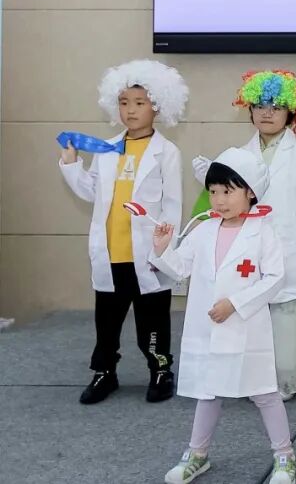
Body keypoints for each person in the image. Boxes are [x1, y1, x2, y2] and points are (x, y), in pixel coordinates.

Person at [151, 147, 295, 484]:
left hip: (246, 328)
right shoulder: (203, 230)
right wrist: (162, 249)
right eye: (213, 191)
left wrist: (236, 303)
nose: (219, 200)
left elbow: (275, 278)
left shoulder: (263, 232)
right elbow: (180, 269)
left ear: (250, 193)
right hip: (208, 330)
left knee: (264, 392)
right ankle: (197, 454)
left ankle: (284, 455)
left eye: (228, 191)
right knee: (208, 391)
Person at [58, 59, 187, 405]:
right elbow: (92, 191)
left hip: (147, 256)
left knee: (152, 321)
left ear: (157, 106)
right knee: (107, 321)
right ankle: (104, 372)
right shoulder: (107, 149)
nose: (130, 110)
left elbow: (172, 206)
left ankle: (160, 371)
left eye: (140, 102)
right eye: (124, 102)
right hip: (111, 253)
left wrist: (165, 250)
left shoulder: (166, 152)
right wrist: (71, 164)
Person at [193, 71, 296, 398]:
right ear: (249, 109)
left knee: (285, 313)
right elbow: (225, 195)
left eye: (276, 107)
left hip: (288, 243)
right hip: (251, 244)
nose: (267, 113)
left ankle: (284, 380)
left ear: (291, 112)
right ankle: (252, 378)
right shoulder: (240, 153)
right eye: (260, 106)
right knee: (252, 310)